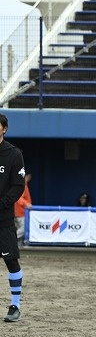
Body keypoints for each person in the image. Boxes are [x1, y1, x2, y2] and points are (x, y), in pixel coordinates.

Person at [0, 113, 26, 323]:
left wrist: (1, 204)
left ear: (4, 129)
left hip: (3, 220)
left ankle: (15, 305)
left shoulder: (13, 154)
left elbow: (18, 187)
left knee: (11, 261)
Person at [14, 172, 31, 243]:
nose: (29, 179)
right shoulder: (21, 185)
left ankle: (17, 245)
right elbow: (19, 198)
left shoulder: (24, 185)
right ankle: (11, 239)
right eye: (28, 177)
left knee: (19, 229)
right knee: (24, 228)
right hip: (20, 212)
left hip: (20, 212)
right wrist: (27, 204)